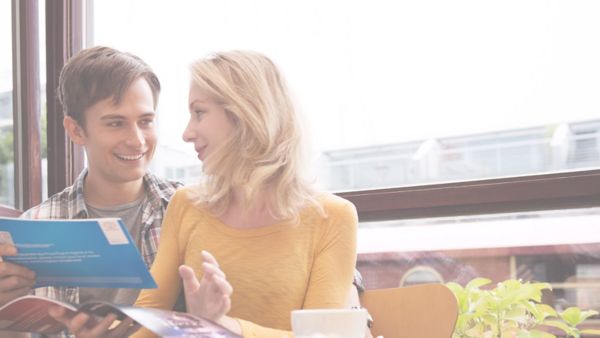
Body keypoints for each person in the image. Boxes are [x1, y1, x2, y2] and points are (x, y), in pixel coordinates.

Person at [132, 50, 360, 338]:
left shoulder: (332, 217)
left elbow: (321, 337)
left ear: (244, 114)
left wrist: (223, 325)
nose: (187, 133)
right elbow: (149, 320)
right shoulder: (186, 204)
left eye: (199, 112)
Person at [0, 46, 181, 337]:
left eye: (146, 121)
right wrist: (5, 313)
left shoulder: (187, 210)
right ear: (76, 130)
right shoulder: (34, 227)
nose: (137, 140)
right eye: (115, 123)